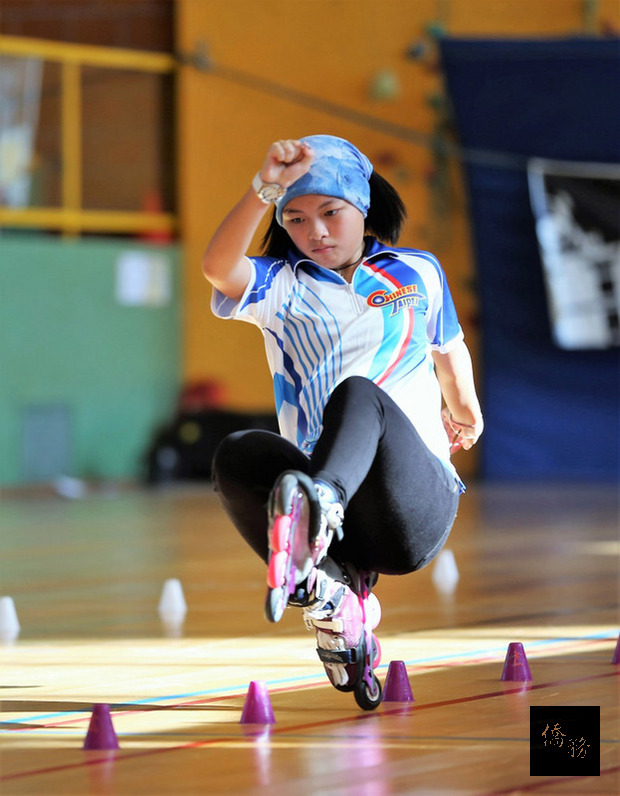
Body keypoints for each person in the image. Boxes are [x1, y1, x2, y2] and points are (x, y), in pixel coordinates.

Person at [202, 135, 483, 708]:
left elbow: (449, 349)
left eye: (331, 213)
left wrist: (466, 411)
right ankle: (331, 596)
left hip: (411, 507)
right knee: (237, 451)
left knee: (360, 394)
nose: (317, 232)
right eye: (297, 218)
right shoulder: (281, 285)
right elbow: (218, 267)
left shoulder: (417, 271)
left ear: (362, 206)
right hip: (341, 520)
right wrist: (263, 188)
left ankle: (318, 511)